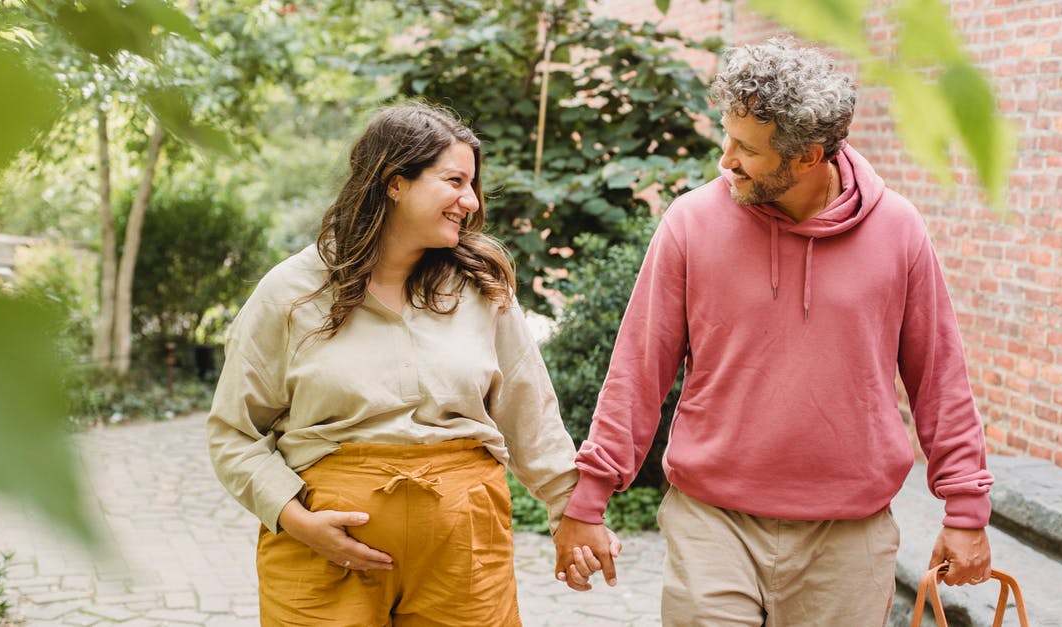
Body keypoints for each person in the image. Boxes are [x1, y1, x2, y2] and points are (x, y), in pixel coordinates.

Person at [551, 38, 994, 625]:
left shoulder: (899, 231)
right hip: (713, 521)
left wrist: (965, 509)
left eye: (747, 149)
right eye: (728, 137)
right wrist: (589, 497)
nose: (725, 159)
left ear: (808, 156)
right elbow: (639, 369)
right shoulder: (691, 222)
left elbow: (939, 377)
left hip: (847, 533)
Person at [206, 102, 616, 626]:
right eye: (454, 181)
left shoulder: (483, 289)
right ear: (394, 181)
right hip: (320, 560)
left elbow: (529, 411)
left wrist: (573, 515)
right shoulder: (289, 293)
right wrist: (296, 520)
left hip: (463, 554)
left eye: (472, 184)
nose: (469, 201)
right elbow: (232, 433)